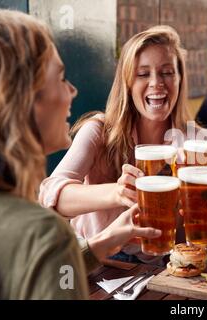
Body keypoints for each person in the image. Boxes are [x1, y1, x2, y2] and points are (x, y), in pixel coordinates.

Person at [0, 9, 162, 299]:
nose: (72, 91)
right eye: (60, 78)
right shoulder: (42, 233)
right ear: (20, 98)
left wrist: (101, 243)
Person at [39, 25, 196, 264]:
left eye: (167, 72)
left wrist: (188, 201)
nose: (157, 83)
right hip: (99, 263)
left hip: (162, 266)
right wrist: (117, 192)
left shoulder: (195, 141)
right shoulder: (99, 130)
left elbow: (198, 238)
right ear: (127, 83)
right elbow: (51, 197)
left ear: (180, 79)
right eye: (143, 74)